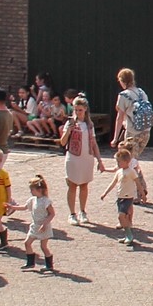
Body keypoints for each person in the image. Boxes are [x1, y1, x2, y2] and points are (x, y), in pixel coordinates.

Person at [59, 95, 100, 224]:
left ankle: (83, 211)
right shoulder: (70, 123)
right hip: (73, 157)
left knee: (84, 185)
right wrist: (68, 131)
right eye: (75, 110)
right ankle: (72, 213)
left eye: (80, 110)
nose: (77, 112)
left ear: (85, 110)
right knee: (72, 185)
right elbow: (62, 142)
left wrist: (99, 159)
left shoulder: (89, 124)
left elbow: (93, 143)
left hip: (86, 158)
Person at [99, 141, 145, 245]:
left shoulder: (131, 171)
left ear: (126, 161)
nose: (118, 164)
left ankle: (129, 234)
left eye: (119, 162)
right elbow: (113, 183)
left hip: (128, 197)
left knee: (121, 216)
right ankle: (127, 233)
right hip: (120, 196)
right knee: (122, 216)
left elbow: (138, 183)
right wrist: (105, 193)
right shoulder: (119, 172)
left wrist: (142, 195)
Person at [17, 175, 56, 272]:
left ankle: (49, 265)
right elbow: (24, 207)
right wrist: (12, 207)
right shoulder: (32, 200)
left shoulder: (46, 201)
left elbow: (52, 214)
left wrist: (45, 223)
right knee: (27, 243)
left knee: (43, 246)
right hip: (35, 226)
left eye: (32, 189)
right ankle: (30, 263)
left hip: (44, 227)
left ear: (39, 189)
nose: (31, 192)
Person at [113, 67, 153, 156]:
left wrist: (115, 138)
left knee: (128, 161)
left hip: (133, 133)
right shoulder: (141, 92)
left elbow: (119, 118)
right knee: (133, 159)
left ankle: (134, 170)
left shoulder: (124, 95)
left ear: (122, 80)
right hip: (146, 132)